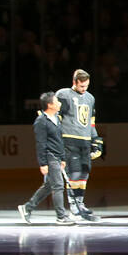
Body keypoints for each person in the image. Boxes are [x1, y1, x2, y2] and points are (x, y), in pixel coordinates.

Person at [18, 91, 74, 225]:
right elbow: (41, 143)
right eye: (57, 101)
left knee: (49, 185)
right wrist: (43, 163)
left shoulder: (56, 119)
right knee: (59, 185)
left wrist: (63, 158)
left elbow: (59, 141)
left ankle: (27, 207)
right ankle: (61, 216)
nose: (60, 103)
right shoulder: (41, 122)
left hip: (57, 156)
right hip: (49, 156)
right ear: (50, 105)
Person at [55, 69, 102, 222]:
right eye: (81, 86)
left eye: (86, 86)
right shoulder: (63, 94)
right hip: (69, 139)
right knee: (74, 173)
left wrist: (95, 139)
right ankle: (73, 207)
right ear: (74, 82)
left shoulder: (90, 98)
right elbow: (56, 119)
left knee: (84, 172)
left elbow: (91, 121)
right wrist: (57, 141)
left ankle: (80, 204)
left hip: (85, 139)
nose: (84, 89)